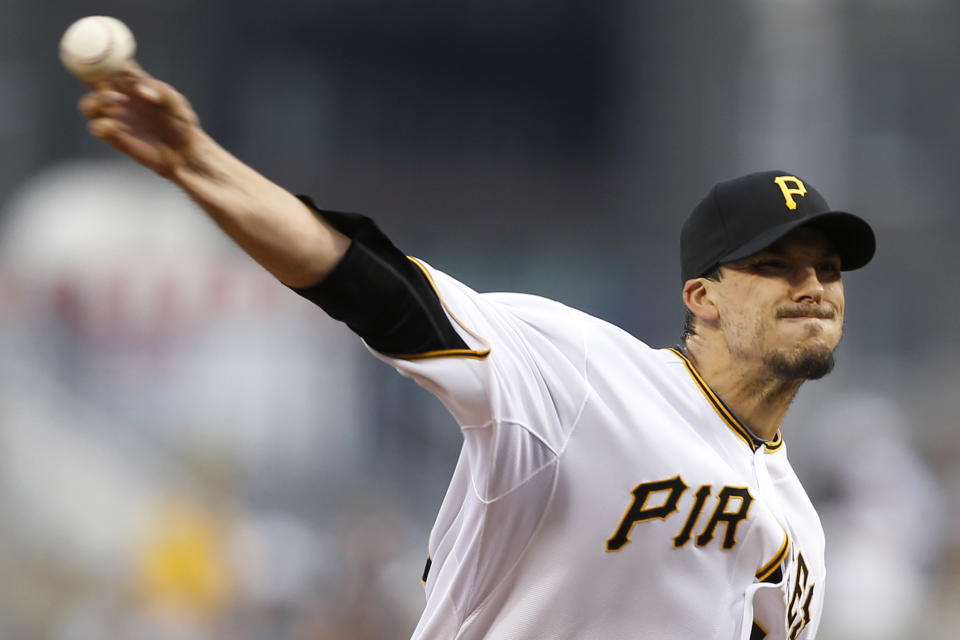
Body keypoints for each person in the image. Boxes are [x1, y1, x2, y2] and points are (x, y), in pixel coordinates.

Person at [77, 66, 875, 640]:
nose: (811, 286)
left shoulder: (799, 525)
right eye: (774, 265)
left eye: (827, 270)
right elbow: (380, 290)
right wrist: (198, 164)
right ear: (702, 297)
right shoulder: (584, 375)